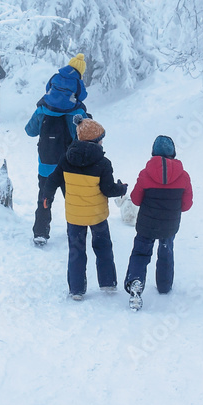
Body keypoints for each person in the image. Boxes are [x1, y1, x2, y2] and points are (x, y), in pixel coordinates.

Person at [40, 118, 127, 300]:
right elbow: (108, 189)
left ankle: (77, 290)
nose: (102, 141)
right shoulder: (103, 163)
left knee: (76, 251)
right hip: (97, 216)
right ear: (95, 140)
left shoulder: (66, 159)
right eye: (101, 138)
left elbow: (53, 180)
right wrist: (122, 188)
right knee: (103, 247)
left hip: (75, 216)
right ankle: (108, 283)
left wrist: (46, 196)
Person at [123, 135, 194, 311]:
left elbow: (135, 200)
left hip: (146, 224)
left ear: (153, 153)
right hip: (169, 226)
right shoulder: (184, 176)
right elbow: (186, 205)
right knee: (166, 252)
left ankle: (136, 282)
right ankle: (164, 286)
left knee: (140, 253)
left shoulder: (145, 174)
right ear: (173, 153)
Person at [24, 100, 87, 247]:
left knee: (44, 199)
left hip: (46, 167)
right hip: (69, 166)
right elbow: (86, 135)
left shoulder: (42, 110)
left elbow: (30, 131)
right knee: (73, 199)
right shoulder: (76, 110)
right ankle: (76, 231)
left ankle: (40, 232)